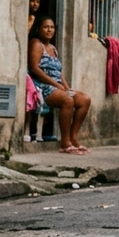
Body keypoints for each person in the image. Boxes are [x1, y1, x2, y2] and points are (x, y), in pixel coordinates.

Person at [28, 17, 91, 155]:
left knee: (84, 100)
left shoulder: (53, 48)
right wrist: (57, 86)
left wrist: (67, 87)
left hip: (57, 86)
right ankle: (65, 143)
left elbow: (58, 72)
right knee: (67, 101)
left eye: (52, 27)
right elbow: (34, 69)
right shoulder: (36, 44)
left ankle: (74, 138)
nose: (49, 30)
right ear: (38, 29)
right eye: (46, 27)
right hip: (42, 86)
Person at [24, 0, 43, 142]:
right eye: (32, 1)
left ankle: (36, 132)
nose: (35, 4)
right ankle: (27, 130)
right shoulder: (26, 17)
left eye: (37, 2)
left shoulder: (38, 21)